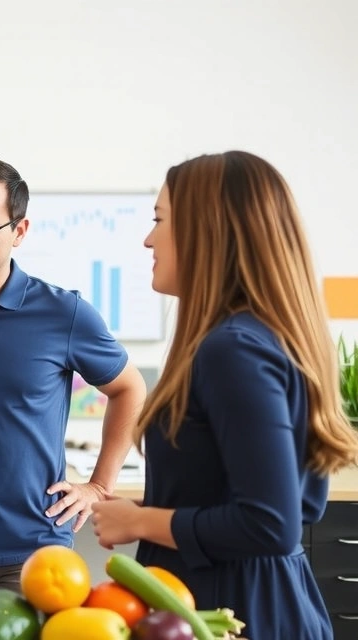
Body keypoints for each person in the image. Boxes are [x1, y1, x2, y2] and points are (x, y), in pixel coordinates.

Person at [91, 150, 358, 639]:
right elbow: (304, 506)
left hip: (233, 611)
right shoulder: (261, 339)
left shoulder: (231, 351)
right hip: (248, 601)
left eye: (160, 220)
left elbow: (272, 524)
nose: (149, 239)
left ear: (206, 230)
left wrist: (138, 521)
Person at [0, 156, 147, 637]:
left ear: (19, 231)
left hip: (33, 555)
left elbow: (129, 388)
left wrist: (98, 486)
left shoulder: (64, 313)